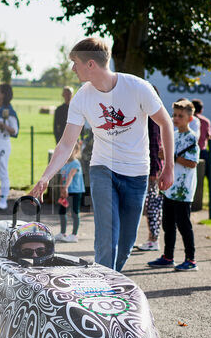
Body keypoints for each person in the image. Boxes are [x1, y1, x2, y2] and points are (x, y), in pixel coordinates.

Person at [29, 37, 175, 271]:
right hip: (103, 169)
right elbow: (67, 143)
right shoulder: (82, 97)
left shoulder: (138, 87)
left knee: (126, 243)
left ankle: (109, 281)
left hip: (137, 172)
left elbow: (165, 123)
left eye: (75, 62)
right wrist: (46, 176)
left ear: (90, 65)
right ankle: (102, 289)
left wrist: (168, 167)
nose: (72, 68)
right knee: (107, 236)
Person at [148, 99, 200, 271]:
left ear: (189, 118)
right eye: (175, 115)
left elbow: (192, 163)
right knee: (168, 223)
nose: (176, 118)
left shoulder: (191, 138)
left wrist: (172, 157)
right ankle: (168, 256)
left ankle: (190, 259)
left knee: (184, 225)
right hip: (170, 188)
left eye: (180, 116)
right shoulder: (174, 135)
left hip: (183, 190)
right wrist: (164, 156)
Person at [136, 115, 164, 251]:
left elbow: (154, 144)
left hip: (151, 168)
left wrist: (153, 170)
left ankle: (154, 239)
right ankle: (152, 238)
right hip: (150, 166)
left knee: (152, 205)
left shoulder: (152, 119)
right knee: (151, 205)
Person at [55, 142, 84, 242]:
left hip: (75, 191)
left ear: (76, 151)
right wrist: (61, 190)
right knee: (62, 212)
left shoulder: (76, 163)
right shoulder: (64, 163)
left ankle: (74, 235)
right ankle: (62, 233)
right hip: (65, 192)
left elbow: (70, 176)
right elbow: (62, 177)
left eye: (71, 150)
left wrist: (66, 187)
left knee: (75, 212)